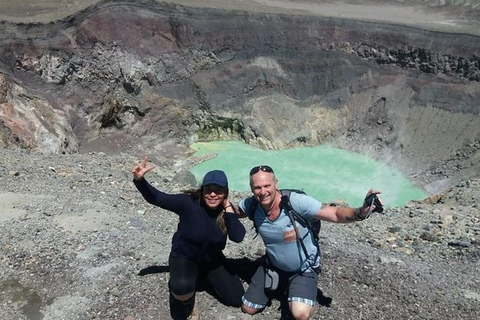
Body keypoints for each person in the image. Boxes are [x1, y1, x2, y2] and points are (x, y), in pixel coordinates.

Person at [238, 165, 383, 320]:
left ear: (276, 184)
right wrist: (216, 200)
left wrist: (361, 212)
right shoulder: (252, 205)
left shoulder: (295, 202)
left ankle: (294, 285)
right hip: (273, 265)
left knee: (300, 314)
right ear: (252, 189)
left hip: (303, 268)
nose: (263, 192)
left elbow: (334, 213)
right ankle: (282, 284)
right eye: (257, 188)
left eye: (267, 186)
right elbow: (235, 211)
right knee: (248, 308)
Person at [132, 156, 246, 320]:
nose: (213, 194)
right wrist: (140, 180)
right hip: (185, 257)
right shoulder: (188, 203)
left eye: (218, 190)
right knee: (182, 290)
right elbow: (157, 198)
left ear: (225, 193)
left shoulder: (226, 213)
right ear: (202, 190)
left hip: (211, 260)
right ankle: (189, 298)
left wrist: (228, 208)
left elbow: (238, 236)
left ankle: (201, 277)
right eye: (209, 189)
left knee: (236, 299)